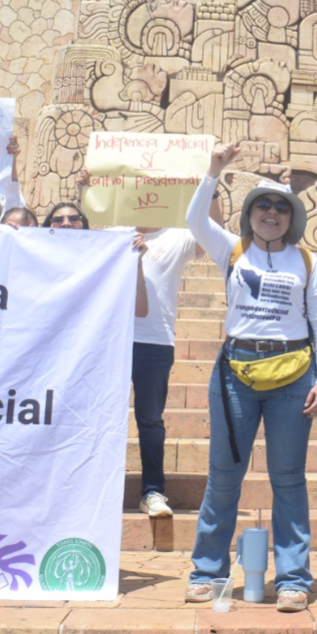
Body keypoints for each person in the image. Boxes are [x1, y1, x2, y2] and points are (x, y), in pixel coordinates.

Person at [183, 143, 317, 613]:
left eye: (280, 207)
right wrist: (213, 170)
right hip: (235, 376)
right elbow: (193, 221)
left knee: (288, 479)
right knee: (224, 476)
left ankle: (293, 577)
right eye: (263, 206)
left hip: (293, 375)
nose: (271, 213)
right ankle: (208, 570)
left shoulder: (306, 261)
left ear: (291, 218)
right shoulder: (233, 249)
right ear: (249, 214)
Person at [74, 169, 220, 519]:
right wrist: (83, 189)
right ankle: (88, 487)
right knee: (97, 415)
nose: (148, 197)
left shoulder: (179, 236)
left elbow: (213, 234)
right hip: (109, 337)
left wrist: (212, 183)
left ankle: (153, 491)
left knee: (150, 419)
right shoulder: (113, 233)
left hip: (155, 340)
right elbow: (76, 244)